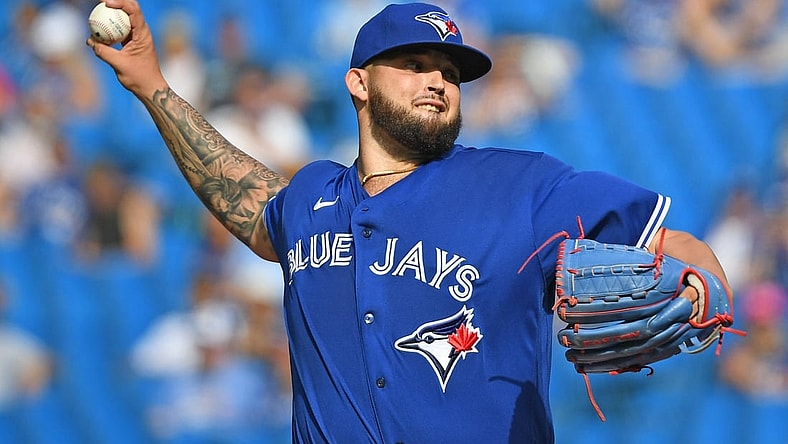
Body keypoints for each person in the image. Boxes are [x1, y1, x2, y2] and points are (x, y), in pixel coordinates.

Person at [89, 1, 734, 442]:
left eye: (450, 72)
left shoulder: (520, 184)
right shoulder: (313, 196)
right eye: (415, 65)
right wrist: (153, 87)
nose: (438, 82)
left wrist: (702, 284)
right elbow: (249, 202)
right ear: (359, 84)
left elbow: (681, 245)